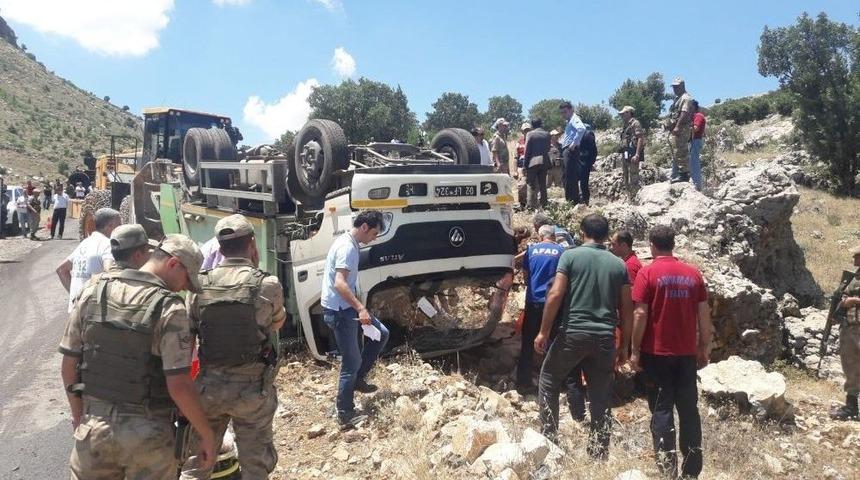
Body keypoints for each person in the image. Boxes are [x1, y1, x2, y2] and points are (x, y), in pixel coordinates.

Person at [59, 234, 216, 479]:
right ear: (173, 264)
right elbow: (180, 386)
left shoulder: (94, 290)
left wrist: (80, 416)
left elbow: (69, 365)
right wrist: (205, 434)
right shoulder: (169, 308)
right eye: (186, 279)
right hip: (148, 438)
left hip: (94, 431)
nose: (185, 287)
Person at [181, 214, 286, 479]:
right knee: (255, 467)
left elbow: (187, 337)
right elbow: (276, 323)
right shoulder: (267, 284)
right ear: (252, 243)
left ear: (219, 246)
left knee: (197, 465)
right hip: (252, 393)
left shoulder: (198, 286)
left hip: (208, 390)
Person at [535, 213, 632, 457]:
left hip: (573, 334)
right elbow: (627, 309)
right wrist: (625, 347)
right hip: (605, 338)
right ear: (606, 236)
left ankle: (549, 443)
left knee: (548, 379)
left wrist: (544, 331)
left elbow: (556, 294)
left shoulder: (570, 256)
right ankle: (598, 453)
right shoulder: (618, 264)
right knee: (600, 394)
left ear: (582, 232)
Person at [630, 225, 712, 478]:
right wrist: (704, 346)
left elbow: (641, 313)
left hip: (656, 354)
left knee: (661, 409)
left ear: (652, 245)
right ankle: (692, 471)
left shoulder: (648, 273)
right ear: (673, 244)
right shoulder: (693, 274)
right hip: (686, 354)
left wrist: (634, 350)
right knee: (688, 410)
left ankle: (668, 470)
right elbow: (703, 314)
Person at [322, 210, 391, 429]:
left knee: (381, 334)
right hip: (342, 312)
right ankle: (344, 413)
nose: (374, 238)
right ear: (364, 228)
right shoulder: (347, 248)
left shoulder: (348, 243)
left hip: (346, 309)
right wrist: (361, 308)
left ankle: (358, 380)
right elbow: (340, 283)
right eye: (374, 233)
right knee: (351, 361)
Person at [517, 225, 565, 392]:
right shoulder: (561, 251)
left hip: (533, 301)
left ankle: (523, 382)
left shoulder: (531, 250)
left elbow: (525, 275)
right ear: (554, 236)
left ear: (540, 235)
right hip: (553, 303)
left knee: (528, 342)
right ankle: (552, 384)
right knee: (553, 342)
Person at [56, 208, 121, 312]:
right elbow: (110, 272)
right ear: (110, 226)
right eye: (119, 225)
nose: (121, 229)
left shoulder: (85, 243)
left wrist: (77, 296)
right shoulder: (107, 245)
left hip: (76, 311)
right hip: (93, 315)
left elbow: (61, 270)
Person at [830, 245, 860, 420]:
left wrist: (853, 300)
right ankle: (851, 407)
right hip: (850, 326)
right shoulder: (853, 278)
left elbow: (851, 299)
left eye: (857, 256)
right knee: (851, 366)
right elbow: (842, 298)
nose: (854, 259)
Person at [666, 77, 694, 183]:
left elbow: (684, 113)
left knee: (681, 151)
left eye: (676, 87)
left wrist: (677, 126)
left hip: (683, 128)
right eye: (673, 87)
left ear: (682, 86)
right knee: (677, 151)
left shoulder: (686, 98)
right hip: (678, 127)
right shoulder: (678, 98)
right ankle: (681, 174)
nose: (674, 89)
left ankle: (684, 175)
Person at [558, 101, 587, 204]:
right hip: (568, 149)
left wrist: (574, 143)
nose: (563, 115)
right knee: (567, 175)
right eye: (562, 113)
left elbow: (582, 128)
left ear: (571, 110)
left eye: (565, 112)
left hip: (571, 150)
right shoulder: (569, 121)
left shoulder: (574, 119)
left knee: (571, 175)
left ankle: (573, 200)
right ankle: (570, 199)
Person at [523, 118, 551, 210]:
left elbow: (527, 151)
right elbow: (548, 148)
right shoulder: (547, 134)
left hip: (533, 162)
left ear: (532, 125)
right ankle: (544, 205)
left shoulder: (530, 134)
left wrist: (525, 165)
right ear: (541, 124)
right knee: (543, 184)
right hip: (544, 161)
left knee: (531, 184)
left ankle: (531, 206)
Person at [619, 106, 646, 196]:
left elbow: (640, 138)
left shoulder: (635, 123)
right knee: (625, 175)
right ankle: (628, 196)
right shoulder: (626, 125)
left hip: (633, 153)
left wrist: (637, 154)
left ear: (629, 113)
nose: (622, 115)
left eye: (624, 113)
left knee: (634, 176)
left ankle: (635, 196)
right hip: (626, 153)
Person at [578, 125, 597, 205]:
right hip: (580, 161)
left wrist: (590, 162)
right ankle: (582, 198)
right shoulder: (577, 132)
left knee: (583, 182)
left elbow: (593, 150)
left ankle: (585, 199)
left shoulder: (587, 133)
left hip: (584, 161)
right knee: (581, 182)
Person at [690, 100, 706, 190]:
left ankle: (697, 185)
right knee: (691, 163)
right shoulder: (695, 116)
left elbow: (695, 128)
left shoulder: (698, 116)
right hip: (694, 141)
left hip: (695, 141)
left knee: (694, 163)